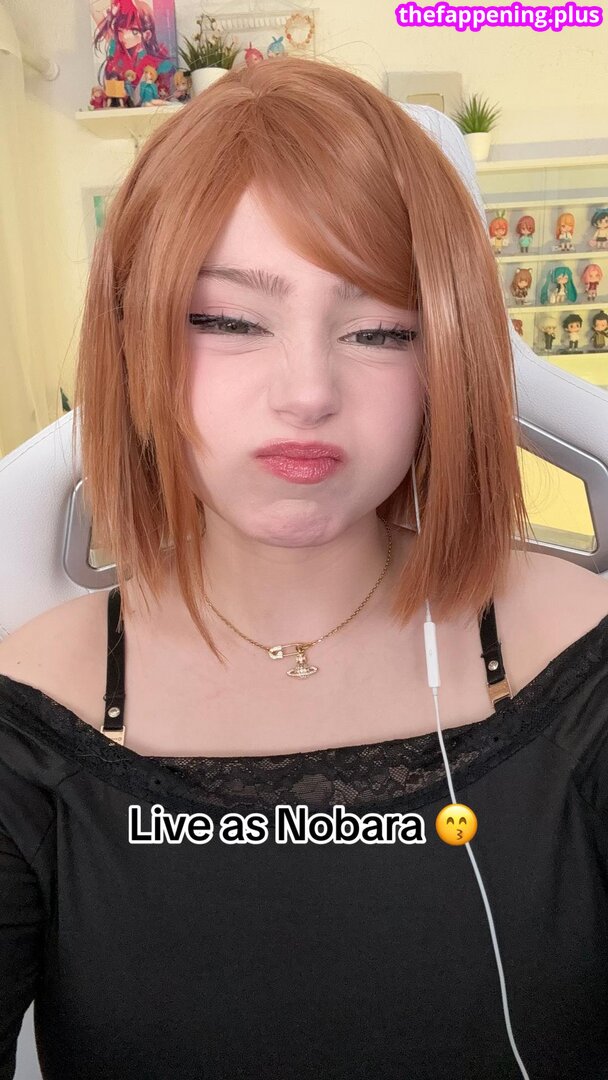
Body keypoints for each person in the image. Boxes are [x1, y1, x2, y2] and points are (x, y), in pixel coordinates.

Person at [1, 56, 608, 1080]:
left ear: (446, 360)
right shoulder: (32, 711)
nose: (309, 392)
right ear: (132, 340)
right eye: (229, 320)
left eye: (379, 329)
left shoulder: (575, 653)